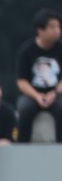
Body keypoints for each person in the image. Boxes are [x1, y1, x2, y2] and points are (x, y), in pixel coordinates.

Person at [14, 8, 61, 143]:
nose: (57, 30)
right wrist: (37, 96)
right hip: (32, 94)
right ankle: (22, 146)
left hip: (57, 94)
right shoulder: (27, 50)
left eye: (58, 27)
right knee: (25, 109)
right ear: (40, 30)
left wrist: (55, 93)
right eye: (52, 27)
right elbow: (22, 81)